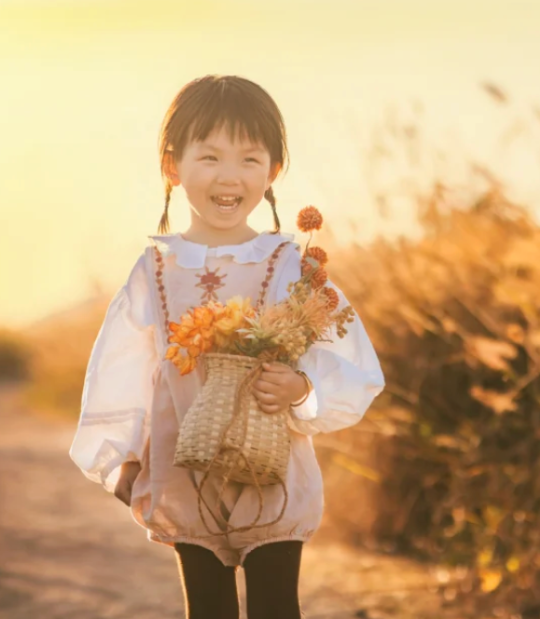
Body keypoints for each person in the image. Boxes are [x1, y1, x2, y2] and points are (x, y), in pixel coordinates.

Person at [68, 75, 385, 619]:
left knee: (275, 605)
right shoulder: (156, 269)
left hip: (272, 470)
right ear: (174, 166)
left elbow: (347, 358)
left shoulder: (291, 265)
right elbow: (120, 365)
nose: (229, 177)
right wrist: (120, 458)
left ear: (273, 171)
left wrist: (302, 390)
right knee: (208, 608)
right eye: (210, 157)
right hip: (182, 471)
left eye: (249, 159)